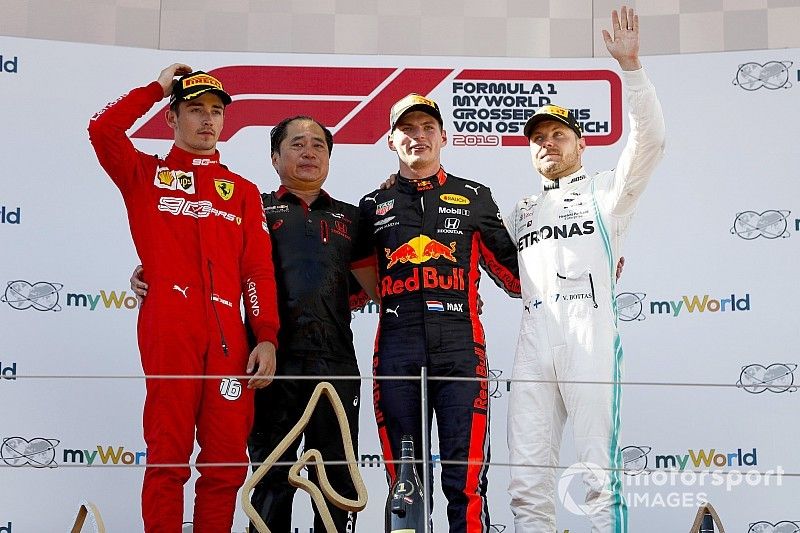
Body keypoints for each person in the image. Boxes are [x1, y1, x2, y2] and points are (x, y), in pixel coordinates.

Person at [131, 116, 377, 532]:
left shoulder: (354, 219)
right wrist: (148, 271)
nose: (309, 153)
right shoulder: (251, 204)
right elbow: (204, 254)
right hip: (267, 364)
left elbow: (375, 288)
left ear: (330, 157)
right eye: (297, 144)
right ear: (275, 157)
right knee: (269, 477)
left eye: (318, 145)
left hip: (336, 361)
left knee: (334, 478)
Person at [88, 64, 280, 532]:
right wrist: (156, 87)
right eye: (195, 110)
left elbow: (257, 270)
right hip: (169, 327)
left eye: (216, 111)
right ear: (171, 118)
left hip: (229, 339)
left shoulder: (243, 192)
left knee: (227, 461)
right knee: (167, 456)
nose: (208, 120)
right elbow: (102, 128)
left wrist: (267, 336)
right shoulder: (143, 174)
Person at [505, 6, 666, 533]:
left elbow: (649, 144)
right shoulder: (521, 209)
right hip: (533, 337)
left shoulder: (605, 192)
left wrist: (633, 69)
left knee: (598, 474)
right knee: (527, 482)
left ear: (581, 143)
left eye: (559, 135)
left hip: (588, 331)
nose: (547, 144)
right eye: (538, 138)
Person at [355, 93, 520, 532]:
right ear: (391, 141)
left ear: (444, 136)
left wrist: (588, 263)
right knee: (405, 485)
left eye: (427, 127)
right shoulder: (372, 206)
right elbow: (343, 286)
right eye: (407, 129)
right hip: (397, 350)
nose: (418, 136)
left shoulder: (474, 196)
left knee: (463, 483)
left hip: (461, 349)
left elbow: (518, 276)